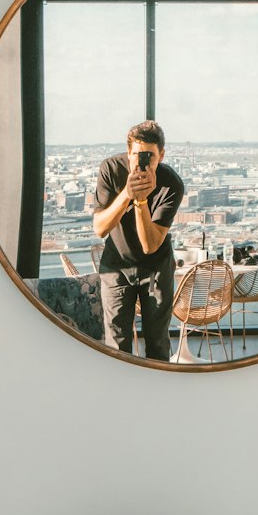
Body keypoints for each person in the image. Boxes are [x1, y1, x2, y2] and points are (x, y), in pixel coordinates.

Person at [92, 120, 184, 360]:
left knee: (157, 341)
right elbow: (100, 229)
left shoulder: (171, 183)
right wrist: (127, 195)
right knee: (116, 342)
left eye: (149, 157)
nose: (141, 163)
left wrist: (141, 201)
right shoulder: (111, 169)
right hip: (116, 265)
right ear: (128, 151)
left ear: (161, 155)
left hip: (156, 267)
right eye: (136, 155)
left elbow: (150, 245)